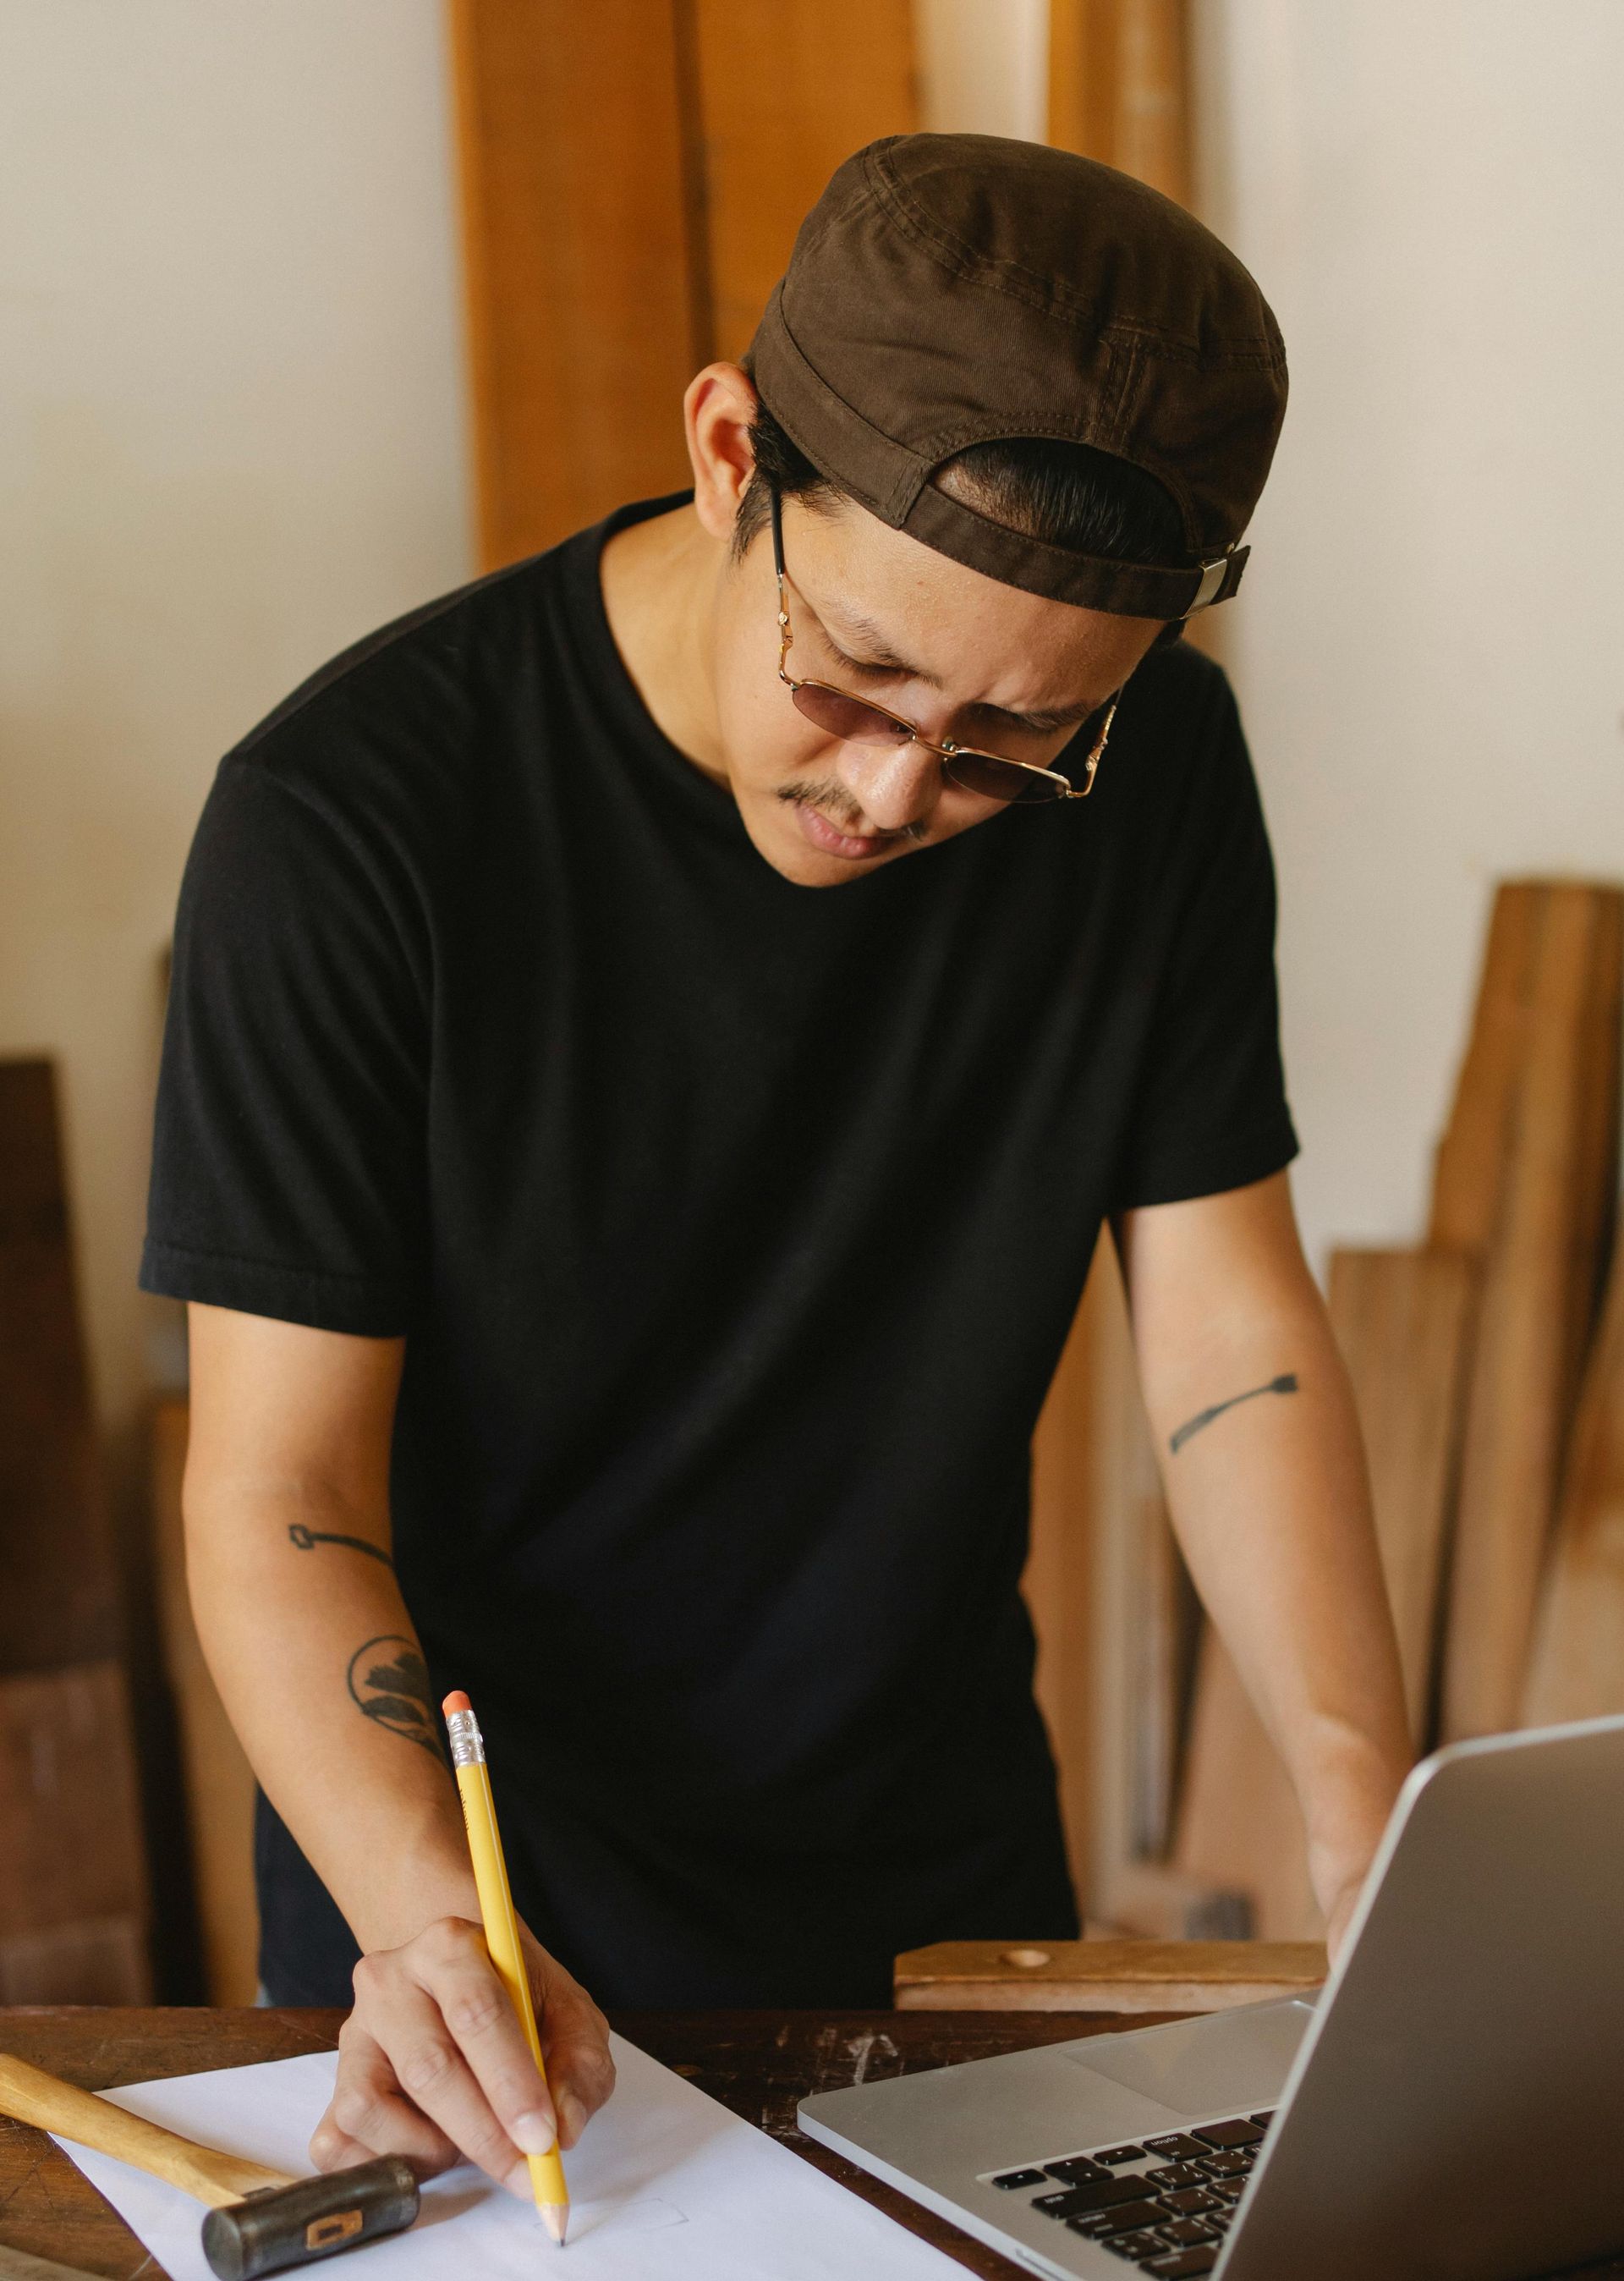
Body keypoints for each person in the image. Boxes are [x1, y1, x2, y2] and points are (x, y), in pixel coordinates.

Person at [142, 135, 1412, 2203]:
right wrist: (422, 1921)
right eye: (859, 673)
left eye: (1017, 741)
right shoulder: (354, 824)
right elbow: (278, 1487)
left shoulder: (1157, 774)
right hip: (470, 1924)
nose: (901, 790)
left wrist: (1369, 1805)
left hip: (937, 1883)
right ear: (732, 450)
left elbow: (1227, 1330)